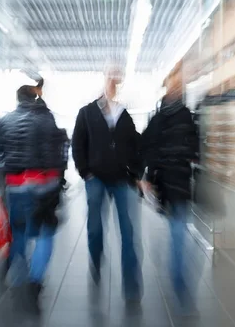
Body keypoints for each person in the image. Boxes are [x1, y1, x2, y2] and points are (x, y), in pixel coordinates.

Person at [71, 65, 143, 302]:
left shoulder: (123, 114)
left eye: (116, 78)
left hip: (122, 180)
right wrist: (85, 172)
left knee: (128, 231)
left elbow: (135, 145)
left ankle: (131, 287)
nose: (113, 82)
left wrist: (136, 173)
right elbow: (78, 144)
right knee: (94, 228)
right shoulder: (87, 113)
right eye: (109, 78)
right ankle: (96, 258)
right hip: (96, 179)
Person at [0, 82, 68, 312]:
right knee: (45, 233)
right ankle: (35, 282)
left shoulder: (6, 121)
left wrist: (1, 189)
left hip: (14, 185)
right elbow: (57, 152)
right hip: (42, 184)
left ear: (17, 98)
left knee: (18, 232)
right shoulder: (46, 119)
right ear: (35, 96)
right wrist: (58, 183)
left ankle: (18, 279)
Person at [140, 62, 199, 309]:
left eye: (179, 82)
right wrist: (146, 177)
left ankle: (179, 282)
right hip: (171, 182)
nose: (177, 86)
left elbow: (194, 148)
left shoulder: (180, 116)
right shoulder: (166, 118)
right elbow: (148, 148)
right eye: (174, 82)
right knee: (177, 232)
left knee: (178, 233)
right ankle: (178, 282)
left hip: (176, 182)